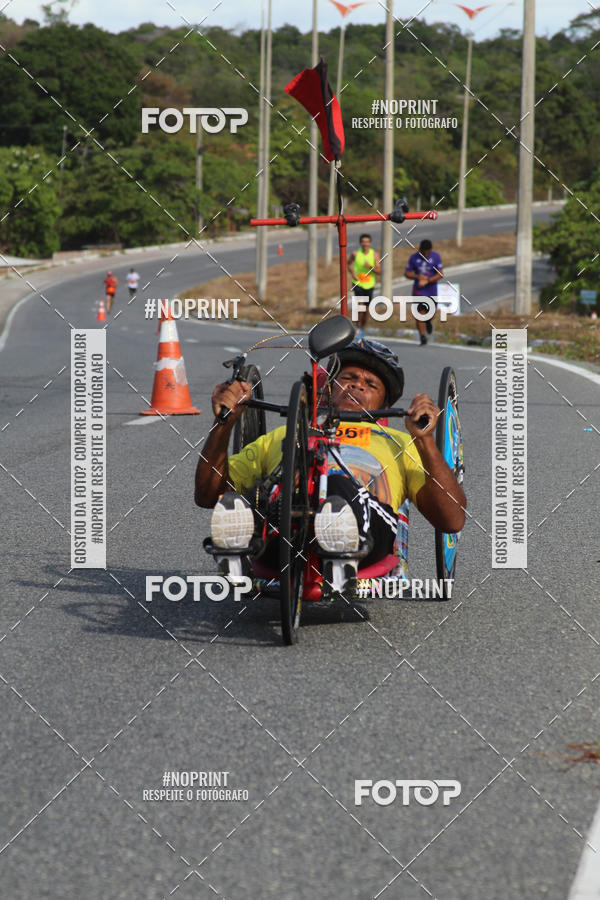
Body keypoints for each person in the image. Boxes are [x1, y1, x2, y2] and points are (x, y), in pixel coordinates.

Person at [195, 338, 466, 600]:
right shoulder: (284, 435)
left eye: (371, 384)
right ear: (327, 389)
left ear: (385, 406)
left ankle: (341, 545)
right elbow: (207, 494)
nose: (357, 386)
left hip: (367, 532)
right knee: (250, 499)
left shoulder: (400, 442)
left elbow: (452, 521)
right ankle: (240, 543)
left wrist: (425, 440)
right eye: (348, 378)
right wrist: (224, 423)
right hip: (286, 528)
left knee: (337, 485)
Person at [405, 239, 443, 345]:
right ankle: (422, 336)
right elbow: (407, 273)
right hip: (418, 290)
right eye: (423, 252)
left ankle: (428, 321)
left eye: (427, 252)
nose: (425, 255)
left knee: (431, 313)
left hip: (431, 290)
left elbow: (440, 273)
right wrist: (417, 276)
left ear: (430, 250)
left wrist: (428, 280)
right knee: (420, 313)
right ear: (420, 250)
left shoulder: (436, 257)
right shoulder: (413, 258)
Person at [347, 234, 381, 339]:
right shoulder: (355, 254)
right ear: (360, 243)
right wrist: (353, 273)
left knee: (366, 309)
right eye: (363, 242)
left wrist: (370, 267)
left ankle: (362, 327)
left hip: (369, 284)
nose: (365, 244)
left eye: (367, 242)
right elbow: (348, 264)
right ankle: (358, 327)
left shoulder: (374, 255)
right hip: (358, 283)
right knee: (360, 306)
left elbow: (379, 271)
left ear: (370, 243)